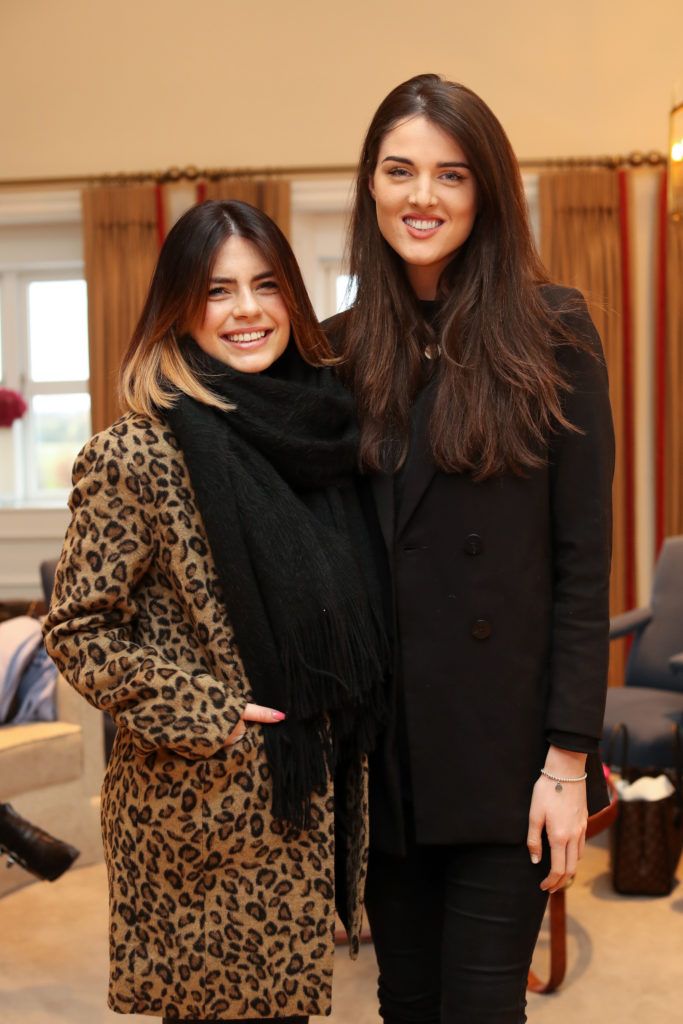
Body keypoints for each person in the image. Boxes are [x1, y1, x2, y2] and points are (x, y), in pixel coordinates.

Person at [43, 200, 388, 1023]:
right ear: (177, 309)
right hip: (203, 810)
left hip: (307, 799)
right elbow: (78, 629)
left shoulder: (323, 438)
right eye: (217, 291)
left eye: (266, 286)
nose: (246, 311)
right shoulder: (137, 452)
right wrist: (208, 712)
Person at [324, 74, 615, 1024]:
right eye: (399, 170)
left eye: (450, 174)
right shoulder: (333, 353)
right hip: (383, 758)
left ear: (485, 190)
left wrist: (568, 763)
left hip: (509, 758)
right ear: (368, 187)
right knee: (405, 1002)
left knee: (482, 1007)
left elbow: (581, 568)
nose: (423, 196)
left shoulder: (554, 332)